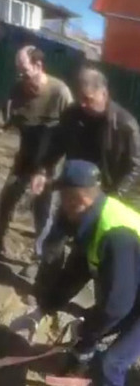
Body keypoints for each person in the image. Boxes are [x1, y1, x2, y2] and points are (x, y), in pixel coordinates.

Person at [31, 66, 140, 299]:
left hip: (107, 197)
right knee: (54, 240)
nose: (83, 104)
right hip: (74, 190)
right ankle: (44, 290)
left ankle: (103, 305)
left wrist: (112, 199)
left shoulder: (125, 125)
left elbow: (135, 167)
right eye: (79, 98)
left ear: (104, 93)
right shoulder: (73, 115)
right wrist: (43, 170)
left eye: (88, 99)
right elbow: (57, 144)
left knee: (93, 254)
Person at [28, 159, 140, 386]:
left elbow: (117, 307)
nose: (60, 207)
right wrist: (43, 308)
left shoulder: (116, 235)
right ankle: (78, 370)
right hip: (135, 293)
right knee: (90, 332)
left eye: (62, 199)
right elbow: (75, 273)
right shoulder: (94, 221)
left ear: (76, 200)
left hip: (132, 300)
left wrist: (86, 328)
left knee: (111, 364)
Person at [0, 45, 73, 261]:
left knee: (43, 209)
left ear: (38, 66)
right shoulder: (17, 91)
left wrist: (47, 170)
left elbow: (72, 133)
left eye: (24, 71)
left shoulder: (59, 93)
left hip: (50, 161)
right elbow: (4, 121)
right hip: (25, 157)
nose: (21, 77)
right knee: (7, 198)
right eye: (18, 71)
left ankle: (41, 259)